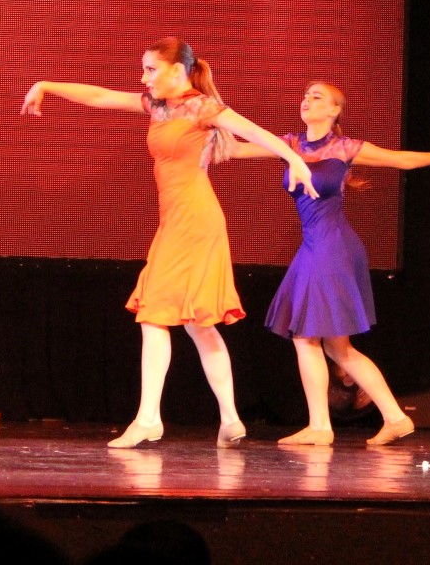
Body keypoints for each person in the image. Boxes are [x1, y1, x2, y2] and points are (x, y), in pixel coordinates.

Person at [21, 37, 319, 448]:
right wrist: (47, 85)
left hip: (194, 219)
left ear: (177, 71)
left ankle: (148, 419)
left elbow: (254, 132)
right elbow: (100, 97)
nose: (143, 77)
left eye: (150, 69)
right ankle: (231, 419)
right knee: (198, 324)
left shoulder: (203, 107)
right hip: (178, 219)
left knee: (153, 313)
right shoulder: (157, 106)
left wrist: (296, 159)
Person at [230, 80, 430, 446]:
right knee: (338, 348)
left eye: (317, 96)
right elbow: (237, 149)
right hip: (314, 245)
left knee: (306, 337)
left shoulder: (344, 147)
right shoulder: (289, 144)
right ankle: (395, 418)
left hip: (332, 246)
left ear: (334, 110)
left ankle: (321, 427)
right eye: (305, 95)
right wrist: (202, 128)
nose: (307, 100)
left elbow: (401, 159)